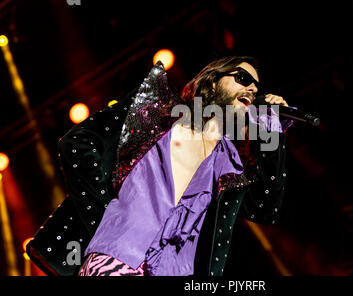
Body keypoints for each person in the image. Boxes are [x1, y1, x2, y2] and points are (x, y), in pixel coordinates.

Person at [29, 56, 292, 276]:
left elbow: (265, 208)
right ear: (213, 80)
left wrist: (272, 132)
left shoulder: (230, 163)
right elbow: (76, 144)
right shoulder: (158, 113)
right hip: (118, 260)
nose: (253, 89)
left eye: (257, 87)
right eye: (243, 79)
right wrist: (104, 213)